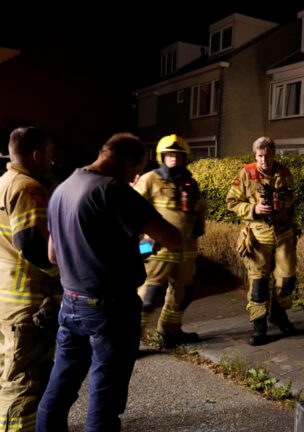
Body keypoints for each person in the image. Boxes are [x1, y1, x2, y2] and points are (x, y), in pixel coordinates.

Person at [36, 133, 182, 432]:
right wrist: (148, 244)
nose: (135, 177)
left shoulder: (62, 189)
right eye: (135, 170)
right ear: (126, 160)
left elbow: (53, 255)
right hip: (111, 310)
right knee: (105, 397)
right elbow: (173, 238)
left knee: (59, 389)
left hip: (71, 303)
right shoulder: (115, 190)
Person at [0, 127, 59, 432]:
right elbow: (32, 246)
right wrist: (63, 278)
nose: (52, 159)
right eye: (49, 153)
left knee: (9, 375)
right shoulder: (28, 187)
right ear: (37, 154)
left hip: (6, 297)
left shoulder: (3, 182)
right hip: (27, 301)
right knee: (25, 385)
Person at [134, 134, 206, 348]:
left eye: (178, 156)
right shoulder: (150, 179)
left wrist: (199, 227)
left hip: (187, 250)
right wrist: (142, 240)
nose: (174, 159)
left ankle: (170, 332)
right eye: (169, 155)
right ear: (161, 157)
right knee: (149, 295)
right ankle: (131, 340)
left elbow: (199, 209)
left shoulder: (190, 183)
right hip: (158, 249)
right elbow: (132, 210)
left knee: (183, 294)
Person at [226, 137, 297, 346]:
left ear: (273, 154)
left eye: (267, 155)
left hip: (284, 236)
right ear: (255, 155)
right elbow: (232, 202)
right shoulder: (246, 173)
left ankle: (278, 312)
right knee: (258, 285)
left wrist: (295, 229)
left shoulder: (285, 174)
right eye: (259, 156)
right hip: (257, 238)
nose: (263, 160)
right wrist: (254, 209)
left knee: (288, 280)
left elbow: (293, 204)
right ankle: (259, 325)